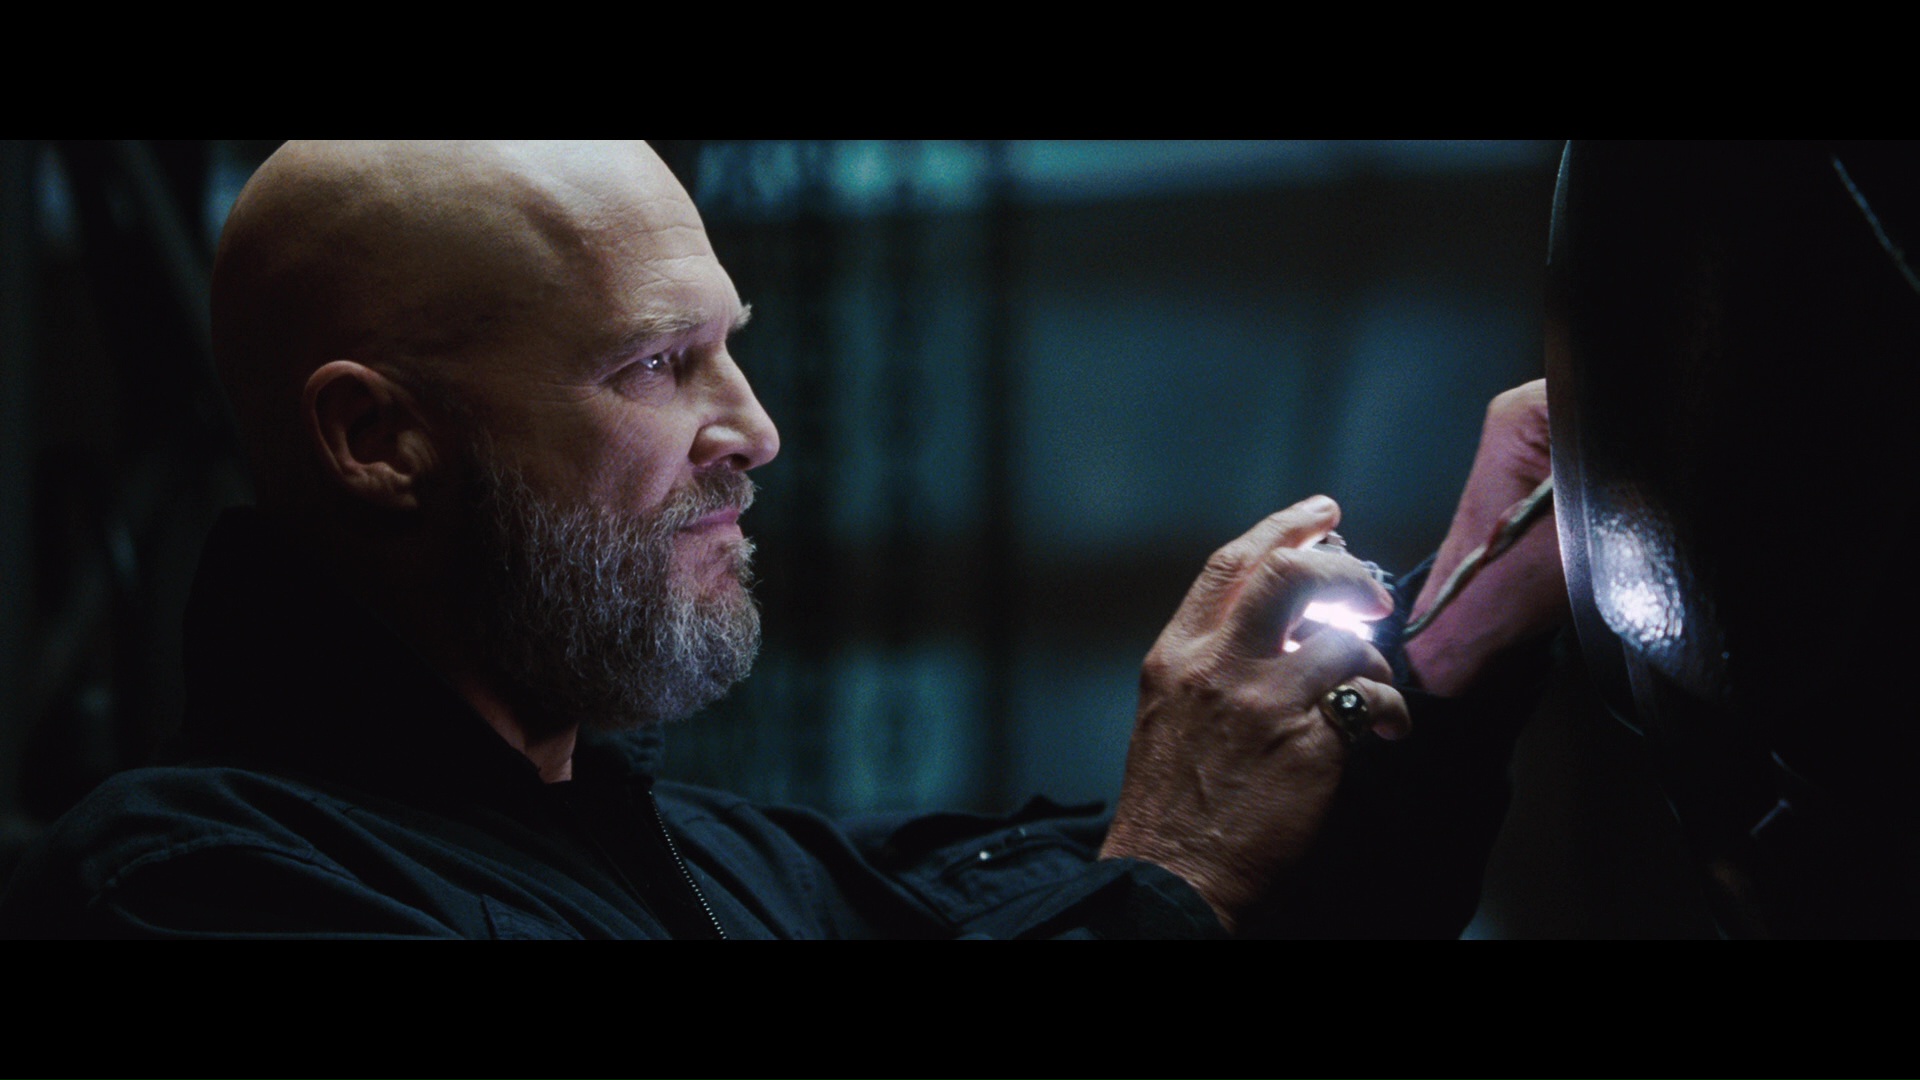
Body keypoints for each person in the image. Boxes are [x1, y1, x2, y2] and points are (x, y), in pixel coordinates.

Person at [0, 141, 1564, 939]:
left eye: (730, 346)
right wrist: (1168, 870)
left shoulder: (734, 867)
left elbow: (1250, 909)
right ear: (377, 439)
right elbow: (1163, 888)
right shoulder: (191, 885)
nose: (753, 430)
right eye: (655, 365)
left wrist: (1454, 641)